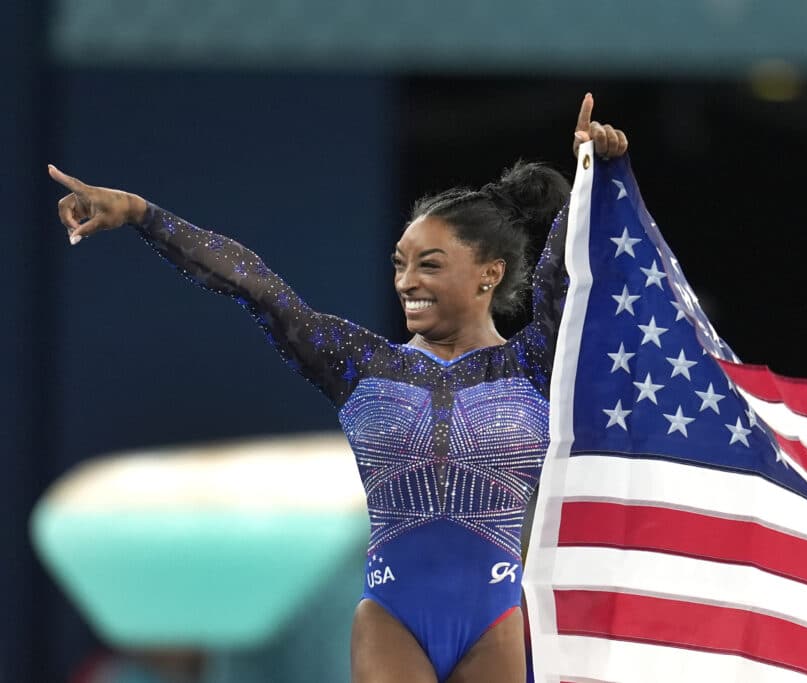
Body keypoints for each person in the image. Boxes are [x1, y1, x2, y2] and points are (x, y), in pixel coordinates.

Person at [49, 94, 628, 683]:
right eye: (399, 263)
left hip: (497, 618)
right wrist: (142, 213)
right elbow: (256, 286)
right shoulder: (363, 366)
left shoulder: (531, 364)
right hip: (392, 618)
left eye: (428, 264)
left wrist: (591, 178)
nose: (407, 282)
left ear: (490, 273)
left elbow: (572, 279)